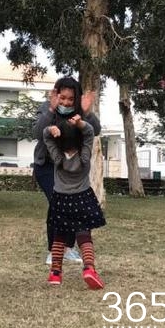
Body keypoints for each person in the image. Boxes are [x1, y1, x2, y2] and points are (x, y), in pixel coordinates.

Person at [32, 77, 101, 266]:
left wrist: (86, 113)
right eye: (62, 98)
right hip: (47, 166)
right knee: (57, 204)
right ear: (56, 95)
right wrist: (51, 110)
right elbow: (37, 133)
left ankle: (68, 248)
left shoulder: (80, 111)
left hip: (70, 168)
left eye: (71, 99)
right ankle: (53, 250)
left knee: (73, 204)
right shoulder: (47, 107)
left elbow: (95, 130)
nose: (66, 102)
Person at [43, 114, 106, 288]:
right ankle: (89, 269)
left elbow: (46, 137)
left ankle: (55, 273)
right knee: (84, 234)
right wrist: (80, 123)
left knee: (59, 235)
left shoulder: (57, 158)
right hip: (82, 197)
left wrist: (50, 130)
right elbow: (90, 132)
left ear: (59, 142)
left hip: (60, 198)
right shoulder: (84, 157)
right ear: (79, 141)